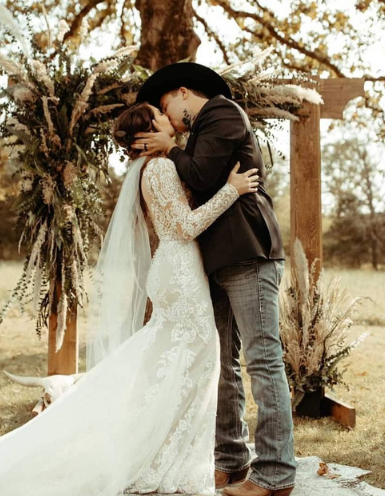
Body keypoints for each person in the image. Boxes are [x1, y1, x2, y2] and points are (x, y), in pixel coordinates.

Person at [0, 102, 260, 495]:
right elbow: (184, 227)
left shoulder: (155, 167)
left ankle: (168, 458)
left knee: (178, 367)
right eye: (161, 116)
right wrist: (230, 191)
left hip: (176, 271)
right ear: (147, 132)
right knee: (195, 363)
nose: (170, 120)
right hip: (180, 273)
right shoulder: (160, 168)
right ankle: (158, 460)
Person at [133, 62, 294, 496]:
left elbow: (203, 175)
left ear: (183, 92)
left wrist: (170, 148)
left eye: (166, 107)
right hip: (214, 261)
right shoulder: (195, 134)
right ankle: (230, 462)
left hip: (248, 252)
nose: (168, 121)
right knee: (221, 364)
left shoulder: (223, 113)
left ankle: (276, 474)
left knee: (262, 358)